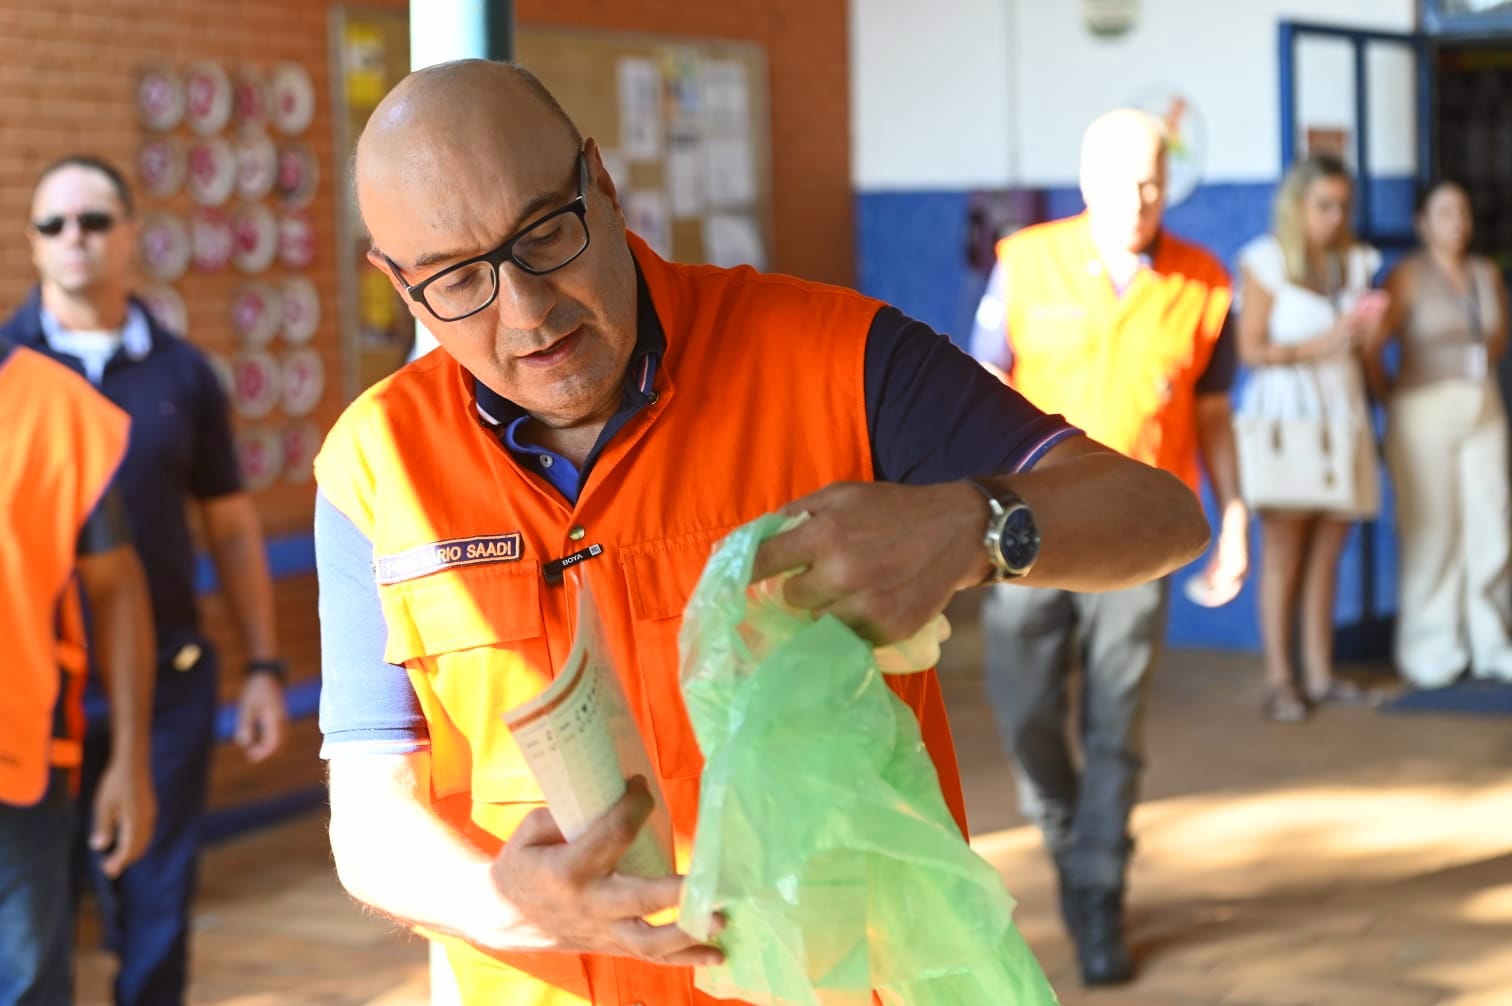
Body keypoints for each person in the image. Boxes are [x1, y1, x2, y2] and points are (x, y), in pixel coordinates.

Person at [313, 61, 1210, 1006]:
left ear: (602, 183)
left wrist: (973, 523)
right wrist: (510, 905)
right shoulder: (376, 469)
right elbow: (372, 824)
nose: (527, 312)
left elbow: (1160, 515)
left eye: (547, 236)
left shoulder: (838, 361)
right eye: (458, 280)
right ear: (400, 285)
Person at [0, 155, 290, 1006]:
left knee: (153, 916)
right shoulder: (11, 371)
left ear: (131, 234)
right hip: (37, 697)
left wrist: (264, 665)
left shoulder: (183, 375)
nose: (75, 239)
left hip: (160, 680)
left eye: (94, 221)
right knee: (39, 927)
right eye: (54, 225)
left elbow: (230, 525)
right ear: (32, 243)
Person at [968, 108, 1248, 986]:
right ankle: (1070, 843)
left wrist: (1233, 515)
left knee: (1116, 729)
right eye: (1124, 180)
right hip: (1028, 534)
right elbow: (977, 396)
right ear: (1087, 179)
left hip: (1141, 543)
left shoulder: (1204, 283)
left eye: (1155, 179)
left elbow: (1212, 418)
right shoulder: (1023, 263)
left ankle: (1097, 894)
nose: (1141, 197)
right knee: (1024, 713)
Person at [0, 337, 156, 1006]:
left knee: (28, 985)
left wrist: (129, 759)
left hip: (19, 778)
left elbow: (117, 590)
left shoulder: (52, 407)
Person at [1235, 154, 1383, 722]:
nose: (1335, 215)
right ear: (1297, 205)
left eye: (1343, 204)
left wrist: (1364, 336)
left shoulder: (1355, 261)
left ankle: (1320, 674)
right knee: (1284, 551)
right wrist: (1317, 345)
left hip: (1341, 412)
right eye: (1324, 204)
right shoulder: (1265, 261)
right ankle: (1281, 679)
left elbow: (1363, 352)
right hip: (1288, 417)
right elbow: (1250, 351)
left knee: (1328, 552)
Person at [1365, 179, 1512, 687]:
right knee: (1433, 530)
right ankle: (1432, 649)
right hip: (1421, 409)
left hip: (1483, 405)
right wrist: (1389, 398)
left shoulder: (1484, 272)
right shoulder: (1405, 277)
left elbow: (1497, 340)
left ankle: (1492, 643)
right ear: (1422, 223)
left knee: (1492, 522)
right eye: (1446, 213)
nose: (1458, 223)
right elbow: (1371, 346)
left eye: (1464, 212)